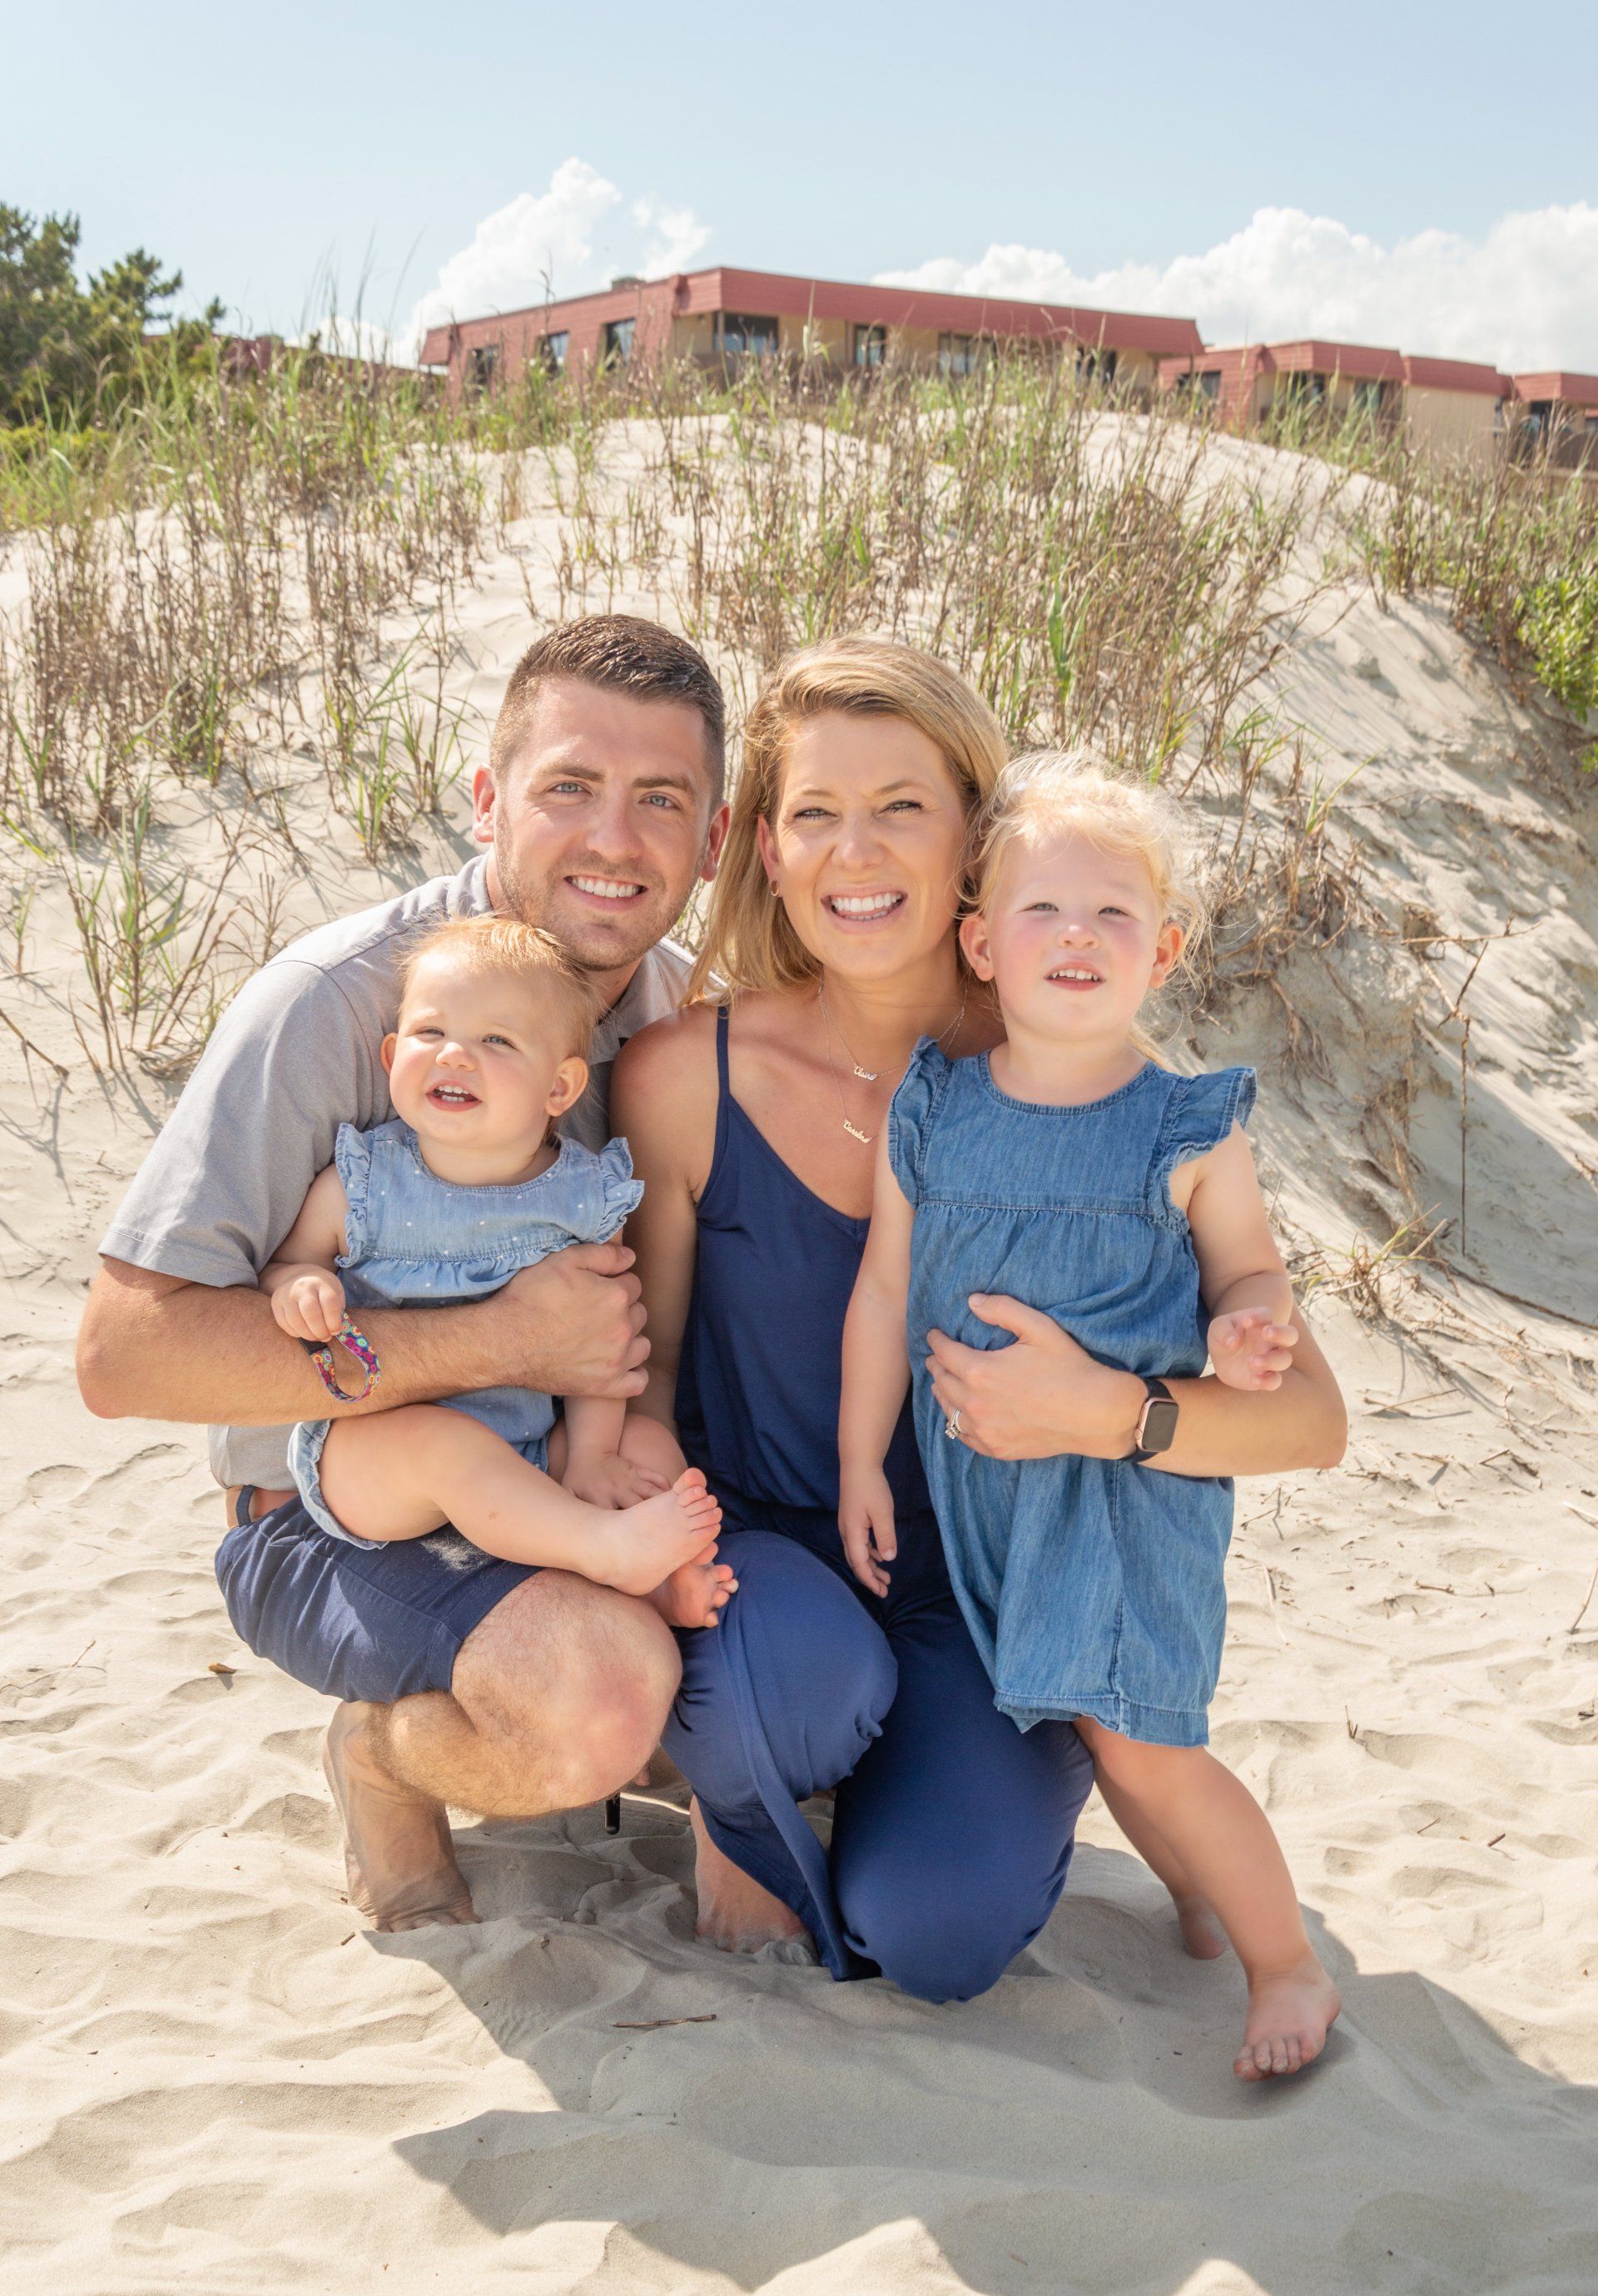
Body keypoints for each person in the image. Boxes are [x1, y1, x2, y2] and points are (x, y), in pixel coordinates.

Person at [614, 639, 1348, 2008]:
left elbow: (1311, 1418)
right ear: (766, 848)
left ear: (973, 843)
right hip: (779, 1556)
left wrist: (1115, 1414)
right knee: (790, 1689)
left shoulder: (1082, 1070)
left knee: (938, 1934)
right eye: (815, 811)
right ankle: (741, 1783)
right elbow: (641, 1388)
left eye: (903, 804)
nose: (857, 847)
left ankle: (969, 1782)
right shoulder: (684, 1076)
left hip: (1005, 1586)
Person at [78, 616, 730, 1932]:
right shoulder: (349, 1004)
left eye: (661, 800)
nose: (614, 839)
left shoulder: (680, 1019)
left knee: (774, 1664)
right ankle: (383, 1755)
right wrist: (500, 1339)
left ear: (713, 841)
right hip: (330, 1515)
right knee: (596, 1702)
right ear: (486, 799)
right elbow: (121, 1355)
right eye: (568, 788)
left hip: (560, 1484)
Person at [838, 749, 1340, 2076]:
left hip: (1125, 1500)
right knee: (1114, 1738)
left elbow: (1248, 1264)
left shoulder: (1184, 1122)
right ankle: (1195, 1894)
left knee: (1144, 1744)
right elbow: (885, 1284)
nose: (1078, 936)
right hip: (985, 1495)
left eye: (1114, 914)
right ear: (981, 942)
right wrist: (858, 1461)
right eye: (1044, 912)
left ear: (1163, 949)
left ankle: (1287, 1963)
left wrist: (1247, 1320)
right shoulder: (934, 1108)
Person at [266, 915, 733, 1619]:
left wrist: (592, 1455)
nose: (454, 1056)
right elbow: (291, 1262)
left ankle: (665, 1577)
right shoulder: (363, 1183)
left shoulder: (579, 1197)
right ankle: (602, 1549)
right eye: (430, 1033)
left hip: (527, 1448)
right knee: (445, 1444)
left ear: (560, 1088)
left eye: (497, 1041)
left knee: (642, 1441)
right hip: (376, 1456)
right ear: (391, 1055)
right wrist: (302, 1286)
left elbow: (602, 1341)